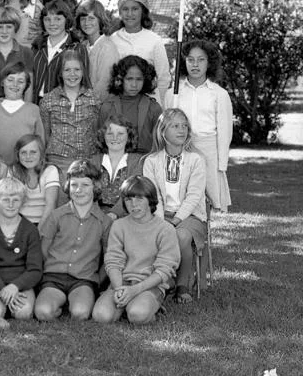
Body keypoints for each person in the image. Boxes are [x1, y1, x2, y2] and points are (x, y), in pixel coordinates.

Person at [92, 176, 180, 325]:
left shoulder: (165, 229)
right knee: (101, 316)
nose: (134, 205)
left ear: (150, 200)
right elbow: (113, 260)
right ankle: (126, 304)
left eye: (139, 199)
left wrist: (135, 290)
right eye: (129, 200)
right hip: (122, 281)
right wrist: (119, 288)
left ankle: (147, 306)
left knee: (137, 315)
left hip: (149, 284)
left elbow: (164, 269)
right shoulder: (119, 225)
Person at [142, 108, 208, 305]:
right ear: (162, 131)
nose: (182, 130)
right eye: (175, 126)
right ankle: (160, 280)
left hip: (191, 216)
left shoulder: (196, 160)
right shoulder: (151, 161)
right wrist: (163, 221)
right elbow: (154, 197)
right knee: (153, 233)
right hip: (160, 214)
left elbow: (194, 196)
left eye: (185, 126)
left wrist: (176, 221)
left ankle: (182, 285)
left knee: (181, 235)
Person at [35, 159, 112, 321]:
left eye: (85, 185)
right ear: (68, 186)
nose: (79, 190)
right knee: (43, 312)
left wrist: (98, 278)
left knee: (80, 313)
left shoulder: (104, 222)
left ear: (95, 187)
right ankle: (54, 302)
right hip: (54, 276)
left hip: (83, 279)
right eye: (74, 185)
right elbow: (43, 249)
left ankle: (75, 302)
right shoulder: (56, 216)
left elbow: (109, 258)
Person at [170, 39, 233, 212]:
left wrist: (221, 165)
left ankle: (206, 235)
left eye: (201, 60)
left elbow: (225, 131)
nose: (195, 64)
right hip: (181, 150)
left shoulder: (219, 94)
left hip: (209, 152)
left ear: (209, 63)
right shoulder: (174, 93)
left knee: (208, 201)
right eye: (190, 59)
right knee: (183, 199)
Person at [0, 177, 42, 320]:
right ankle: (1, 304)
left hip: (21, 284)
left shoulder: (30, 230)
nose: (11, 204)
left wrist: (15, 286)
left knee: (23, 313)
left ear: (23, 202)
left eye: (16, 200)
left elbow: (35, 269)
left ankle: (14, 304)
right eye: (5, 200)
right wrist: (2, 290)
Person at [40, 49, 100, 179]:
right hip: (57, 160)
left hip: (87, 160)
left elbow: (96, 131)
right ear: (60, 73)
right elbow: (45, 134)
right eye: (67, 70)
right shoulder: (48, 99)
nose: (72, 74)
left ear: (83, 72)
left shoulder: (94, 99)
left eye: (77, 70)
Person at [110, 0, 171, 103]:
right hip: (120, 103)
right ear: (120, 12)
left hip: (148, 104)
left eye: (134, 9)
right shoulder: (112, 40)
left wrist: (157, 103)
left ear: (143, 12)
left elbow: (163, 77)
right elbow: (109, 76)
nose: (129, 14)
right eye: (125, 9)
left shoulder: (154, 40)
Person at [98, 55, 163, 157]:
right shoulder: (107, 107)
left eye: (139, 79)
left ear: (145, 80)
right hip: (114, 163)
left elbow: (160, 145)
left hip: (145, 164)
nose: (134, 84)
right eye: (129, 79)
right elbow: (100, 143)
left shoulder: (154, 108)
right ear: (120, 79)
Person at [0, 61, 45, 165]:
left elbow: (40, 143)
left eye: (20, 81)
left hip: (24, 169)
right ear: (2, 82)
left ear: (26, 86)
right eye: (10, 80)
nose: (15, 84)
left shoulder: (34, 110)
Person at [31, 0, 88, 103]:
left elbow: (85, 83)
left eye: (58, 19)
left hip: (63, 107)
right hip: (35, 104)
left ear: (66, 20)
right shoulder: (37, 47)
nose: (52, 23)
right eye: (47, 19)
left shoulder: (77, 49)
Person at [90, 114, 144, 219]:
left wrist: (114, 214)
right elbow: (89, 193)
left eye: (120, 133)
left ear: (129, 136)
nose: (115, 138)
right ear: (103, 136)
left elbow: (131, 193)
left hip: (126, 216)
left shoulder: (137, 161)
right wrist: (97, 215)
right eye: (110, 133)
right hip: (96, 215)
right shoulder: (94, 161)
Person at [0, 6, 35, 106]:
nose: (4, 31)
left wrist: (25, 110)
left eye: (9, 27)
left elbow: (29, 88)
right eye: (0, 27)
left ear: (16, 28)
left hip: (19, 105)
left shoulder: (26, 53)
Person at [7, 134, 60, 228]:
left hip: (44, 223)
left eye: (33, 152)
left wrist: (37, 233)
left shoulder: (50, 170)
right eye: (23, 152)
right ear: (18, 155)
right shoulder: (13, 171)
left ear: (41, 153)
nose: (28, 156)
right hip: (19, 224)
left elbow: (50, 205)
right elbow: (11, 204)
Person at [75, 0, 119, 100]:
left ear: (100, 20)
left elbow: (104, 86)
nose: (86, 23)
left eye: (91, 18)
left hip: (97, 108)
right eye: (83, 18)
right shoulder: (82, 47)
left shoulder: (107, 48)